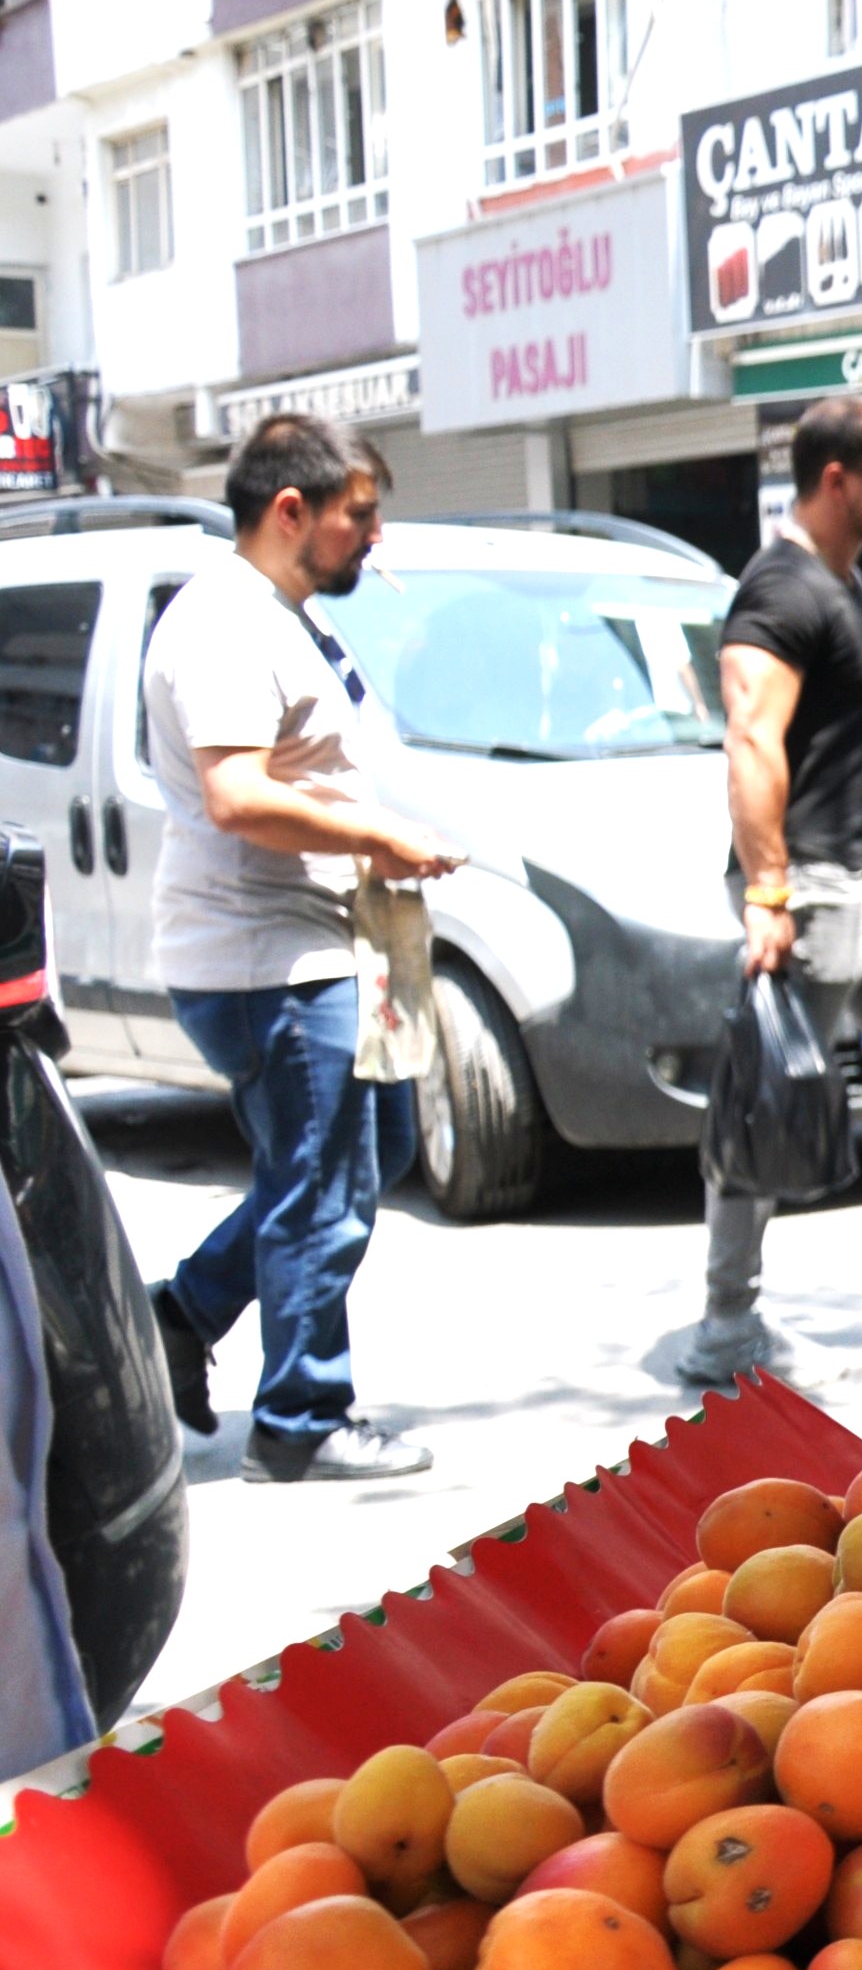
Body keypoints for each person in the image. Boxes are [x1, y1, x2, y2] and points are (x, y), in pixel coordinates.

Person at [143, 415, 463, 1481]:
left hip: (335, 940)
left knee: (366, 1156)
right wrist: (377, 836)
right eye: (359, 514)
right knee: (322, 1186)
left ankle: (182, 1313)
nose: (374, 537)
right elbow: (238, 796)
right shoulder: (225, 623)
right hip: (266, 957)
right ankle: (300, 1419)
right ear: (292, 512)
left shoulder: (284, 615)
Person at [678, 395, 862, 1391]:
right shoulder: (781, 590)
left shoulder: (843, 581)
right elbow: (751, 739)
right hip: (814, 886)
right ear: (837, 477)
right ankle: (724, 1324)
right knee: (773, 1096)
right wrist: (768, 893)